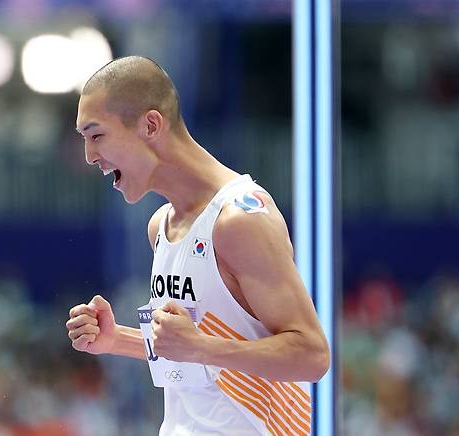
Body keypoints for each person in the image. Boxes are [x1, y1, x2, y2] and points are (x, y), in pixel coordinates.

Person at [66, 56, 329, 436]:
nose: (90, 156)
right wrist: (116, 340)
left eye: (97, 136)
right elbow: (192, 358)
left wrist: (200, 347)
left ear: (150, 125)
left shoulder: (240, 220)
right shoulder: (160, 227)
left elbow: (311, 356)